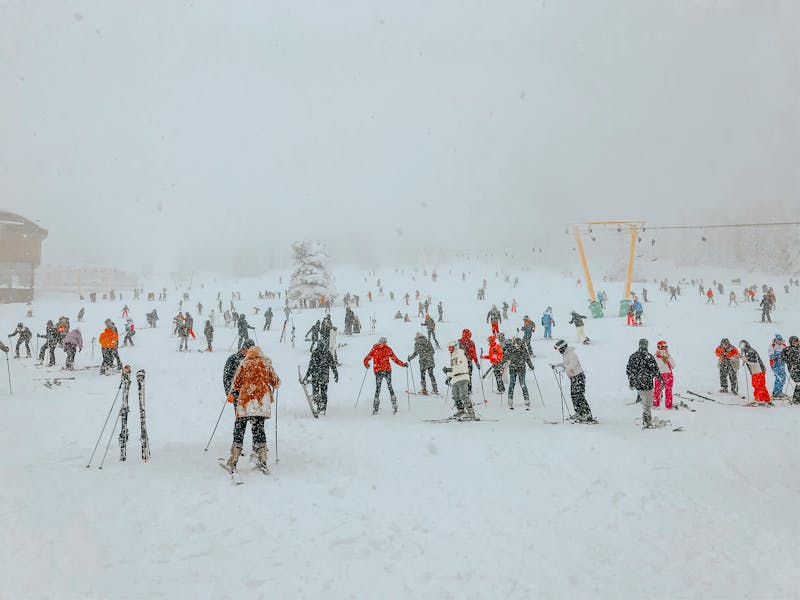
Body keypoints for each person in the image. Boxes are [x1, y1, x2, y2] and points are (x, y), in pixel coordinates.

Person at [223, 346, 280, 473]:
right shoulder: (266, 363)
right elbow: (275, 382)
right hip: (261, 401)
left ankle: (234, 458)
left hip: (245, 401)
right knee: (258, 428)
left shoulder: (244, 364)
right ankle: (263, 457)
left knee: (239, 427)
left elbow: (236, 384)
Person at [363, 337, 407, 415]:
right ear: (385, 342)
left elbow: (367, 358)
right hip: (387, 370)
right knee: (390, 387)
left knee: (378, 389)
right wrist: (403, 364)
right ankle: (395, 405)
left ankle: (375, 408)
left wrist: (366, 364)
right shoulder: (387, 349)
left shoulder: (375, 349)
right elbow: (395, 359)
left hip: (378, 371)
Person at [553, 339, 594, 422]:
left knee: (579, 395)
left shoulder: (571, 354)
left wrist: (564, 368)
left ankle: (587, 414)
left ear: (563, 347)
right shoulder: (565, 354)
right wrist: (558, 365)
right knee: (574, 396)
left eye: (559, 349)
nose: (559, 351)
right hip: (573, 377)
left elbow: (573, 365)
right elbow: (566, 364)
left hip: (578, 377)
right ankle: (579, 412)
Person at [626, 339, 663, 428]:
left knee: (644, 399)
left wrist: (632, 381)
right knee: (647, 404)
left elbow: (629, 370)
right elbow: (655, 370)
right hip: (648, 383)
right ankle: (647, 421)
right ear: (646, 345)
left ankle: (640, 399)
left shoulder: (633, 356)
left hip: (638, 382)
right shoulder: (649, 357)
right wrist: (661, 379)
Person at [442, 341, 477, 420]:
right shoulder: (453, 356)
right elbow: (454, 369)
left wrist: (449, 369)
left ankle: (471, 413)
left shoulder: (460, 355)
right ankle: (461, 411)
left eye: (451, 348)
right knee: (455, 396)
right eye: (449, 348)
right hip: (455, 379)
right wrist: (449, 377)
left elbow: (459, 368)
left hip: (462, 377)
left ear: (455, 347)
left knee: (464, 395)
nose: (449, 350)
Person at [303, 341, 338, 415]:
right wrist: (307, 376)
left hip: (320, 377)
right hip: (319, 377)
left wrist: (336, 374)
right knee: (319, 394)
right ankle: (321, 405)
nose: (321, 348)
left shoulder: (326, 353)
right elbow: (311, 365)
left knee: (322, 393)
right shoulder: (317, 353)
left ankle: (322, 407)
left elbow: (332, 364)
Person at [504, 337, 534, 410]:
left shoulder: (523, 349)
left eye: (518, 344)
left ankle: (527, 399)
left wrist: (531, 365)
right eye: (516, 344)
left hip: (521, 369)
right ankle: (510, 399)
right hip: (512, 369)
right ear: (513, 344)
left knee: (522, 384)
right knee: (511, 384)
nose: (517, 346)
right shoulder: (510, 349)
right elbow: (505, 357)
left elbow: (527, 358)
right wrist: (502, 363)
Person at [653, 340, 676, 409]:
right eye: (665, 347)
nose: (666, 348)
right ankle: (668, 406)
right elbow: (673, 365)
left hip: (659, 375)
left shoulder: (655, 356)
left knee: (657, 390)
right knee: (668, 390)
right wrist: (667, 358)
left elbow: (654, 367)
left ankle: (656, 404)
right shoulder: (667, 355)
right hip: (668, 375)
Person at [780, 336, 800, 404]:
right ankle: (796, 399)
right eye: (794, 342)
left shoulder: (799, 348)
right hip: (793, 369)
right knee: (798, 382)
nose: (795, 343)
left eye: (796, 342)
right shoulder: (787, 349)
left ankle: (797, 398)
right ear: (791, 342)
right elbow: (782, 358)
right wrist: (789, 360)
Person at [459, 328, 479, 394]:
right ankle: (469, 390)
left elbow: (454, 353)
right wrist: (476, 362)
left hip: (460, 362)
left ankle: (461, 390)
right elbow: (474, 354)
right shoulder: (471, 343)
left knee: (460, 376)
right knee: (469, 377)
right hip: (469, 362)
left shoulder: (458, 342)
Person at [768, 334, 788, 399]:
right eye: (778, 340)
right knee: (778, 378)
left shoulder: (783, 345)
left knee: (783, 378)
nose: (779, 341)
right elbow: (771, 356)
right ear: (775, 340)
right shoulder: (772, 346)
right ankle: (776, 392)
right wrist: (778, 357)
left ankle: (780, 391)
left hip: (782, 364)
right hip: (775, 364)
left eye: (780, 340)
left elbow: (786, 354)